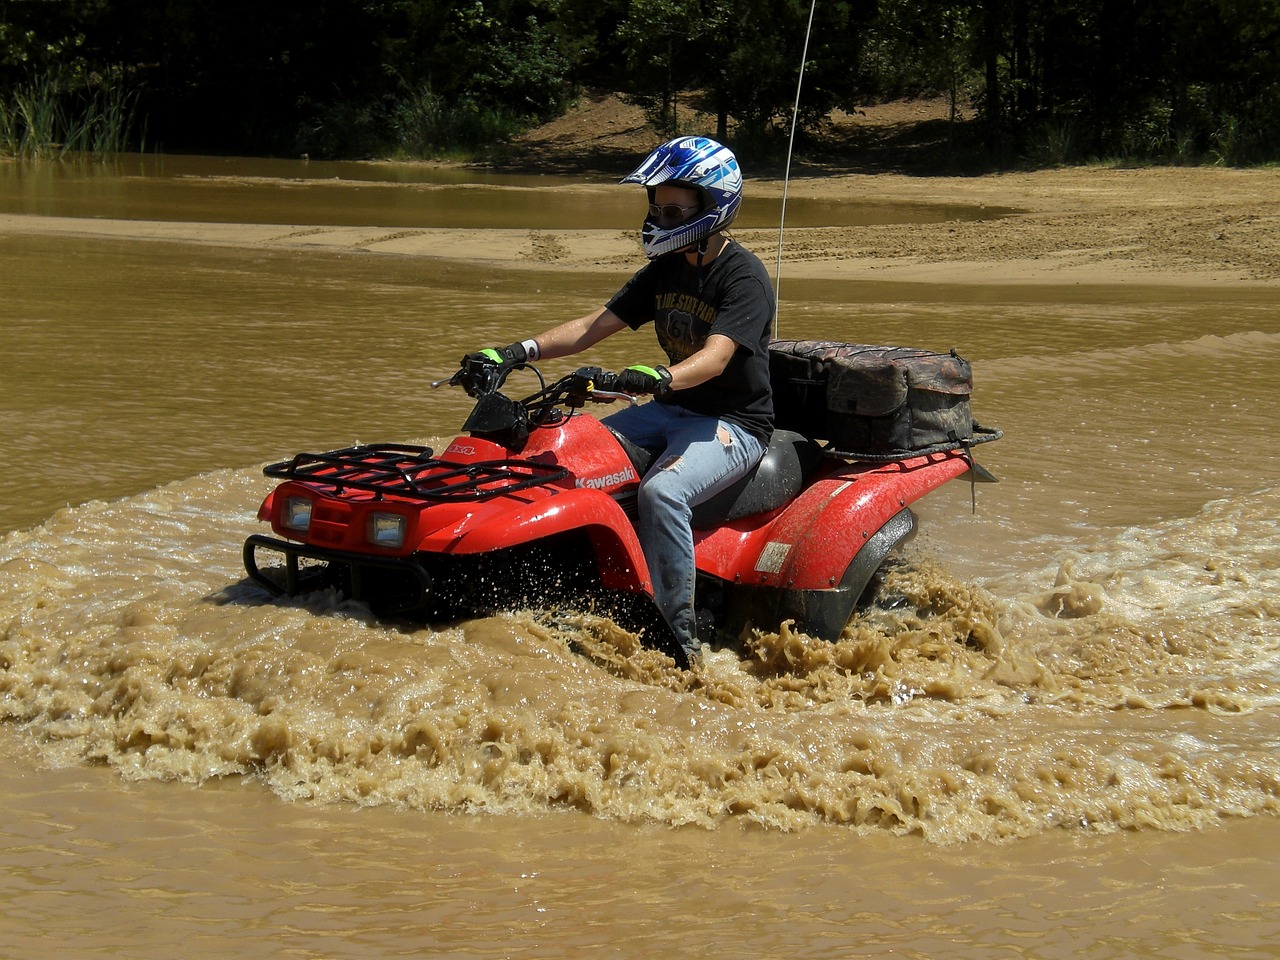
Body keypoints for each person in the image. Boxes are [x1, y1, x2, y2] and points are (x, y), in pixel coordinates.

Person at [463, 136, 775, 663]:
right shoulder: (668, 266)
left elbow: (717, 358)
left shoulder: (744, 276)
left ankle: (678, 639)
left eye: (673, 208)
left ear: (713, 206)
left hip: (734, 423)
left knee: (663, 494)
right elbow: (592, 326)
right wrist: (516, 350)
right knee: (570, 453)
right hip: (669, 410)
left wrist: (659, 376)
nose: (660, 216)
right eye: (657, 205)